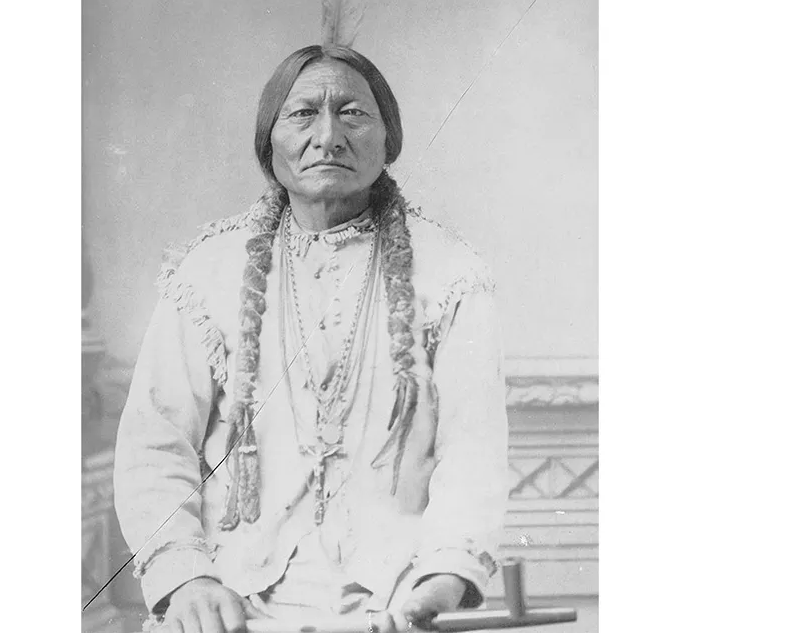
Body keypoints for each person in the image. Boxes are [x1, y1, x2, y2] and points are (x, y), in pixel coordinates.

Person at [114, 44, 509, 633]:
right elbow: (155, 442)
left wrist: (443, 577)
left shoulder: (451, 275)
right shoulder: (208, 273)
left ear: (387, 139)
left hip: (396, 602)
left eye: (352, 112)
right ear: (267, 143)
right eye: (302, 114)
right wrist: (187, 580)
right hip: (234, 603)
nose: (328, 135)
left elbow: (473, 451)